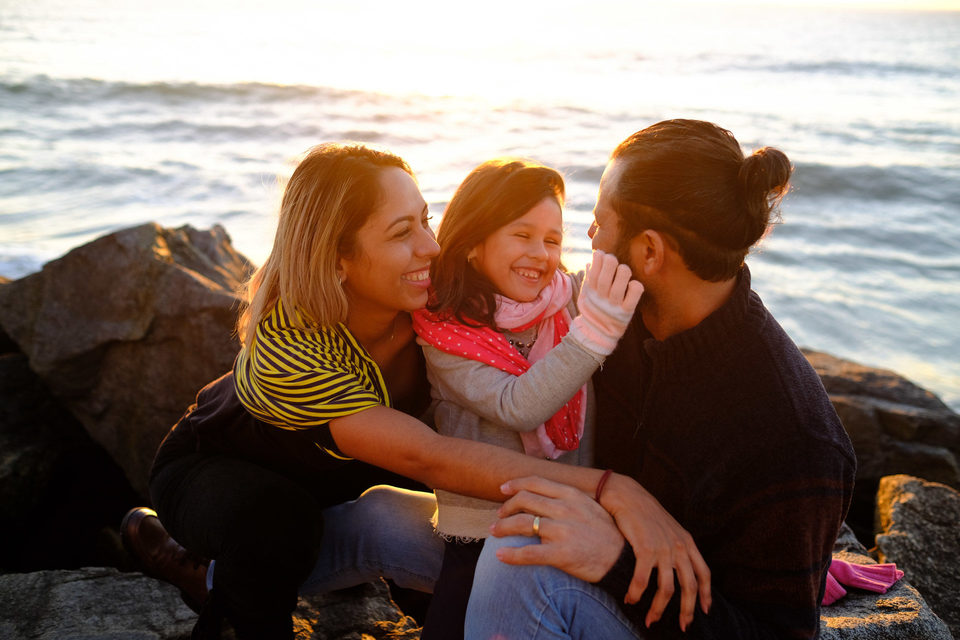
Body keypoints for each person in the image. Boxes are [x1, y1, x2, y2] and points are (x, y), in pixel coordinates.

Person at [120, 142, 710, 640]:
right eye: (404, 232)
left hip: (346, 482)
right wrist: (610, 490)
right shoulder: (293, 348)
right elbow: (428, 457)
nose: (431, 245)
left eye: (426, 219)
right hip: (223, 474)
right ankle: (204, 574)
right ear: (338, 259)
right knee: (279, 523)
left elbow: (530, 313)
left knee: (431, 521)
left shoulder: (437, 305)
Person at [464, 120, 857, 640]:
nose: (588, 236)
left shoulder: (792, 436)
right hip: (605, 554)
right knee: (378, 520)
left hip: (669, 624)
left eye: (601, 223)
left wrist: (615, 561)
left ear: (649, 252)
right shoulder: (617, 322)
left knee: (518, 549)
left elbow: (777, 633)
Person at [411, 158, 643, 638]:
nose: (540, 253)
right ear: (474, 243)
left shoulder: (569, 303)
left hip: (566, 521)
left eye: (553, 239)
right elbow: (517, 405)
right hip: (479, 534)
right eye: (521, 234)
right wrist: (594, 335)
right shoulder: (446, 333)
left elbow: (633, 266)